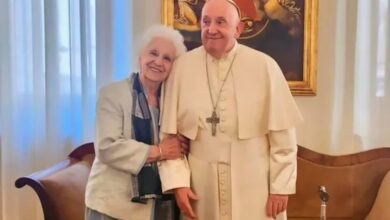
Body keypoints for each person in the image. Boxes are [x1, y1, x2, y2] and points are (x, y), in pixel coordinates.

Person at [159, 0, 303, 219]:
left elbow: (283, 140)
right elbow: (170, 139)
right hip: (201, 188)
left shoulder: (265, 67)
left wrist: (280, 187)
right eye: (206, 21)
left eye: (220, 22)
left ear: (238, 29)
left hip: (254, 188)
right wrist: (178, 184)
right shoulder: (182, 68)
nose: (211, 29)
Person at [85, 25, 187, 220]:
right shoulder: (112, 94)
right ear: (140, 57)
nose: (158, 62)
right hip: (112, 207)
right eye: (153, 53)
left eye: (167, 58)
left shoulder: (173, 102)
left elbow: (178, 146)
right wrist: (160, 151)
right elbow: (107, 147)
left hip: (158, 207)